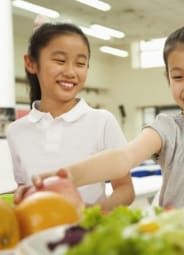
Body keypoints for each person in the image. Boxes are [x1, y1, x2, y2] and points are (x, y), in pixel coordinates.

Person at [17, 22, 184, 208]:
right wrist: (64, 176)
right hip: (178, 244)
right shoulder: (166, 128)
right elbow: (122, 158)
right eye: (178, 77)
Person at [7, 22, 134, 210]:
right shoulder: (16, 131)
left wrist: (94, 213)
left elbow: (125, 189)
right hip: (37, 233)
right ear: (31, 63)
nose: (70, 72)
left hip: (88, 234)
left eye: (81, 64)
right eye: (60, 61)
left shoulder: (102, 121)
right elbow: (23, 189)